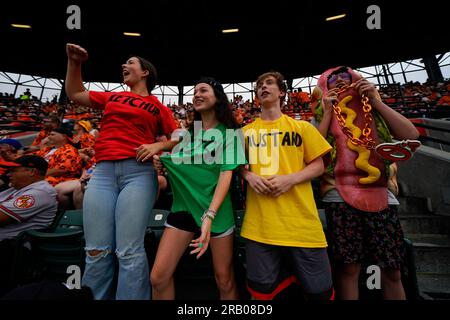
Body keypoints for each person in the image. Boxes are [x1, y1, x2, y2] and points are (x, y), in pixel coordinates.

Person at [65, 43, 178, 300]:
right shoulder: (112, 96)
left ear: (145, 72)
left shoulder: (159, 107)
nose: (124, 66)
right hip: (102, 173)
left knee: (129, 251)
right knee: (95, 250)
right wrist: (75, 63)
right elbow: (74, 93)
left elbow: (179, 136)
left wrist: (158, 145)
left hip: (138, 174)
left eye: (130, 63)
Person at [313, 66, 420, 300]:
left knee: (392, 268)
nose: (340, 82)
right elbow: (313, 153)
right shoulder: (321, 114)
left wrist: (377, 101)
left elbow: (411, 134)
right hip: (338, 195)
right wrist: (328, 112)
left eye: (345, 78)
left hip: (382, 193)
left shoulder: (374, 108)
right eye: (334, 80)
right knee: (348, 267)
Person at [239, 71, 334, 300]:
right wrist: (248, 175)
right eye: (259, 84)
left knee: (320, 293)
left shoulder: (303, 128)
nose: (263, 87)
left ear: (281, 92)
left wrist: (289, 179)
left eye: (269, 83)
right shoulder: (244, 132)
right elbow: (234, 167)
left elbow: (319, 166)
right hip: (260, 228)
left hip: (303, 227)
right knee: (260, 295)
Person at [150, 77, 246, 300]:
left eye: (203, 90)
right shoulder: (189, 134)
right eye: (194, 92)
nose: (196, 95)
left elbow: (226, 173)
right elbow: (177, 163)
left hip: (216, 212)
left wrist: (209, 216)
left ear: (217, 97)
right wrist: (161, 162)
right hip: (184, 209)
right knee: (158, 277)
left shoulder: (231, 132)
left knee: (225, 280)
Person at [0, 155, 58, 296]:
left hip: (14, 249)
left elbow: (1, 217)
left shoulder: (40, 192)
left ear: (31, 171)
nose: (9, 174)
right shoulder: (15, 189)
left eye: (14, 170)